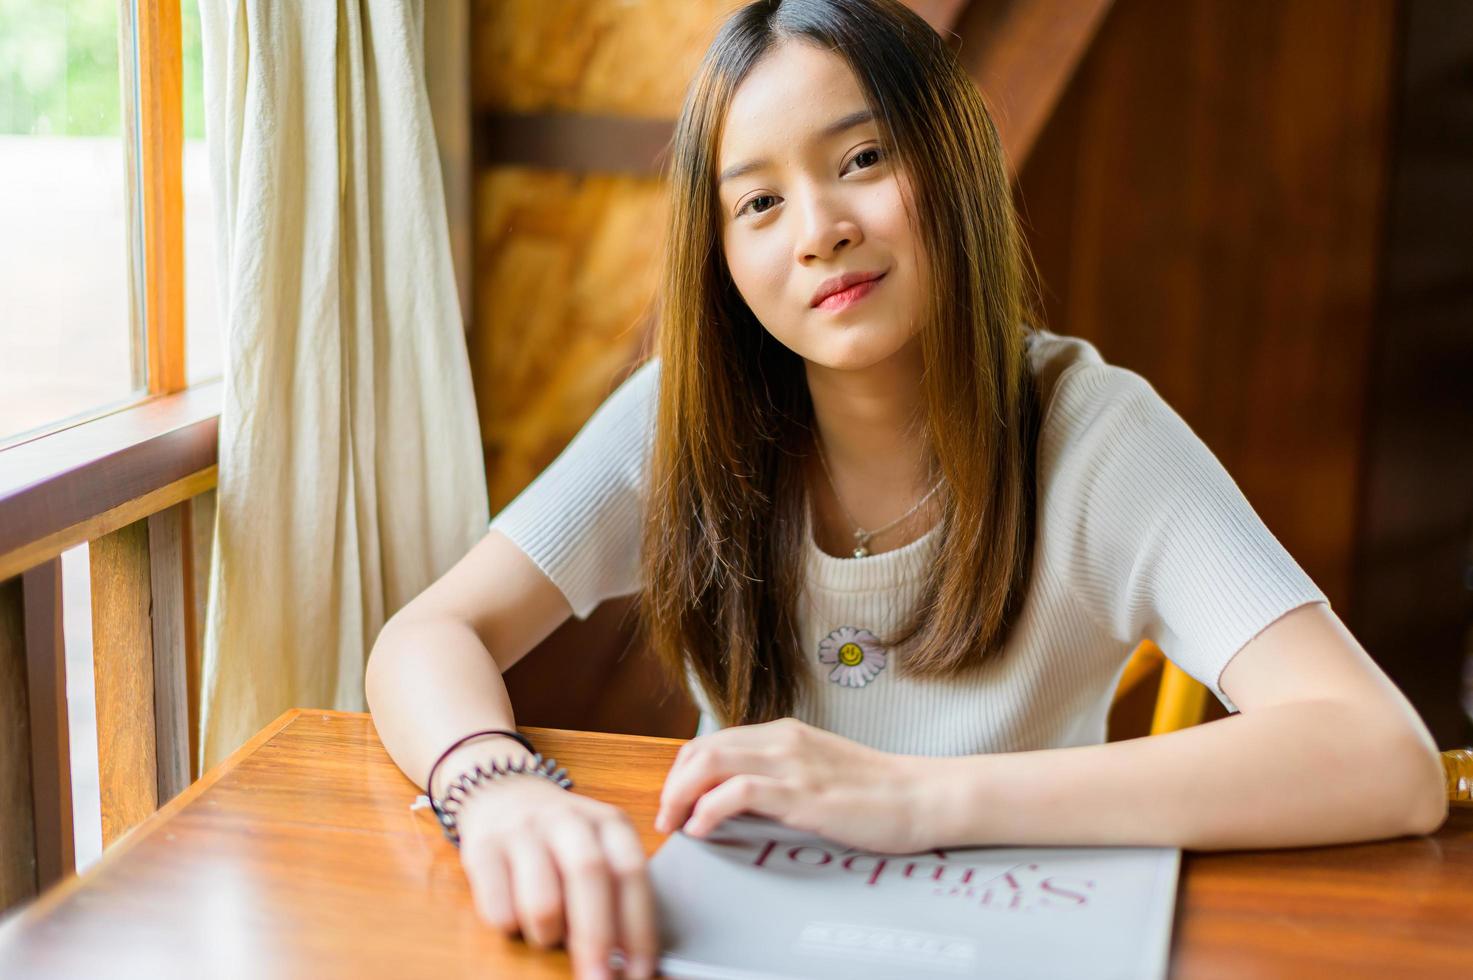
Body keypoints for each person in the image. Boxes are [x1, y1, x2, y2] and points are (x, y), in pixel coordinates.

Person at [365, 2, 1448, 978]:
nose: (818, 227)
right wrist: (493, 784)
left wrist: (919, 799)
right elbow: (429, 633)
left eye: (865, 156)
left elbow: (1383, 757)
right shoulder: (679, 422)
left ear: (954, 160)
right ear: (721, 260)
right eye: (757, 202)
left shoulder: (1097, 436)